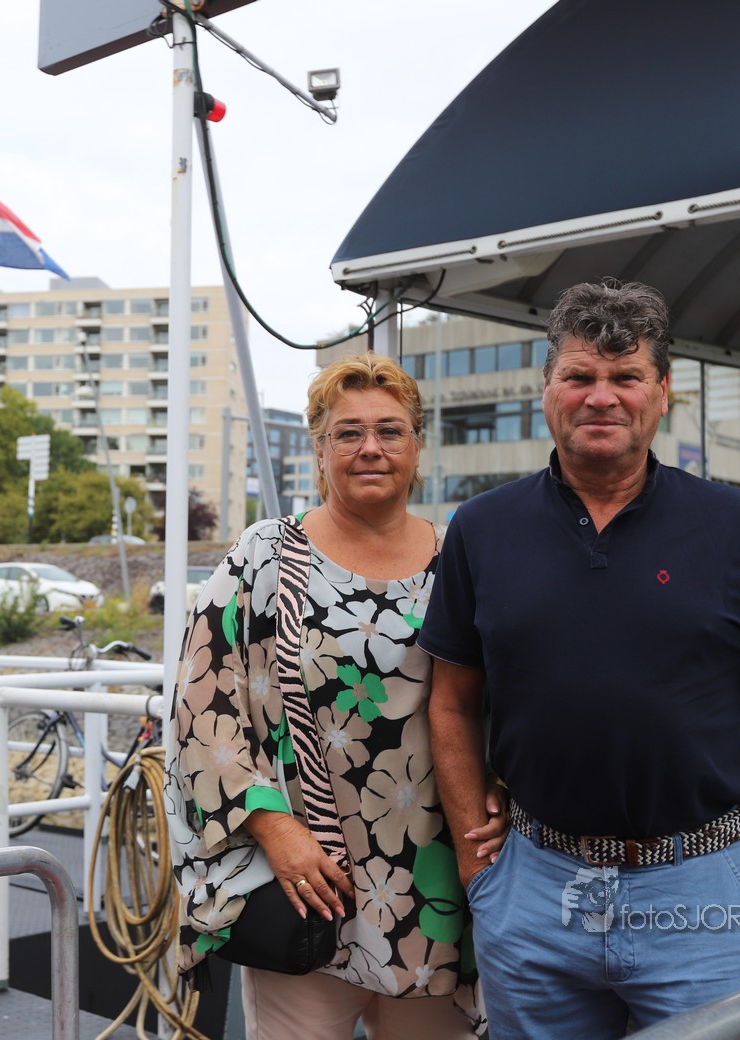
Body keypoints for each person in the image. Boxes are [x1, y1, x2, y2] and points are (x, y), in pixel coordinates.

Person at [420, 280, 740, 1038]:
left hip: (702, 892)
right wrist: (480, 874)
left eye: (625, 376)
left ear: (662, 394)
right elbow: (452, 701)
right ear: (546, 391)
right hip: (535, 892)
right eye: (579, 376)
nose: (601, 397)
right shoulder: (482, 529)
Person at [168, 353, 506, 1039]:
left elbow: (509, 698)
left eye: (390, 431)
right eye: (348, 433)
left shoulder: (462, 561)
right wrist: (273, 829)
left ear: (417, 446)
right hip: (304, 888)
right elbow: (203, 704)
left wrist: (504, 792)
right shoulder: (265, 557)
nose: (370, 448)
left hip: (435, 890)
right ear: (320, 452)